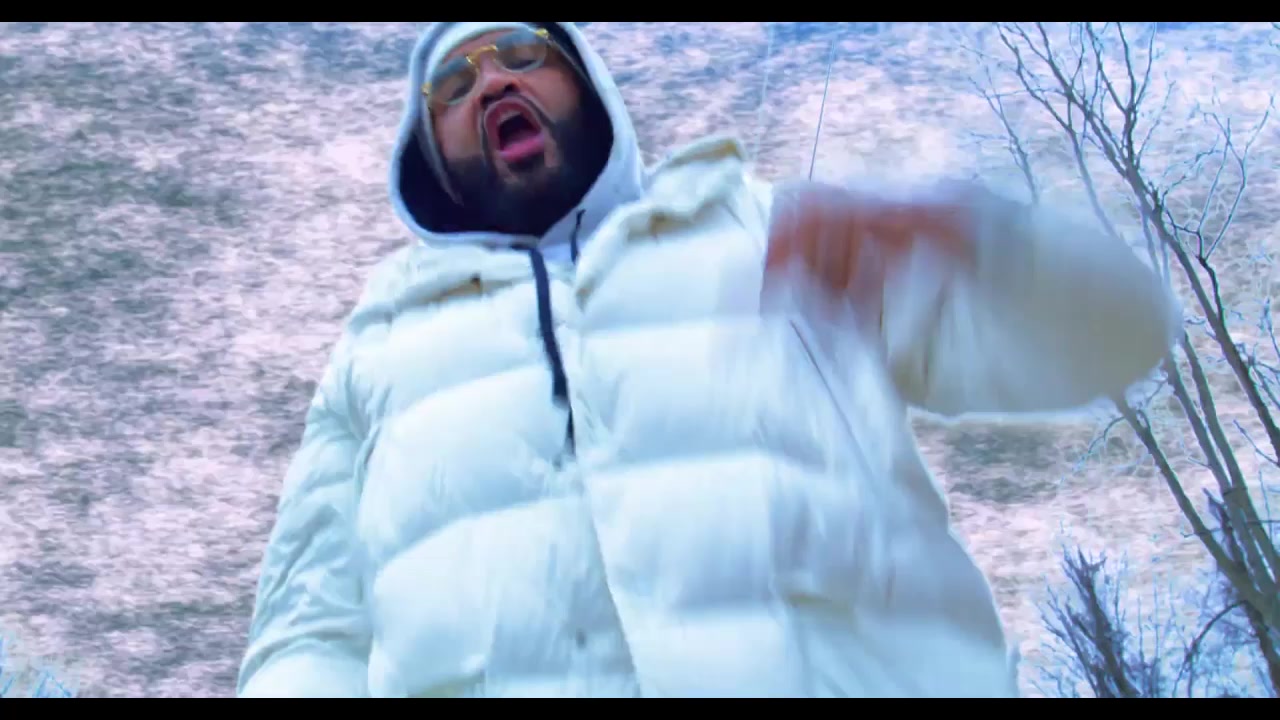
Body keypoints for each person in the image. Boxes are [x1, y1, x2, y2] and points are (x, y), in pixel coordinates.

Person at [235, 22, 1182, 698]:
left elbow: (1121, 337)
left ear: (588, 86)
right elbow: (309, 628)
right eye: (453, 82)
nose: (491, 81)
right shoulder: (378, 344)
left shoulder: (773, 231)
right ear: (432, 155)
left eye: (523, 52)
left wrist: (982, 244)